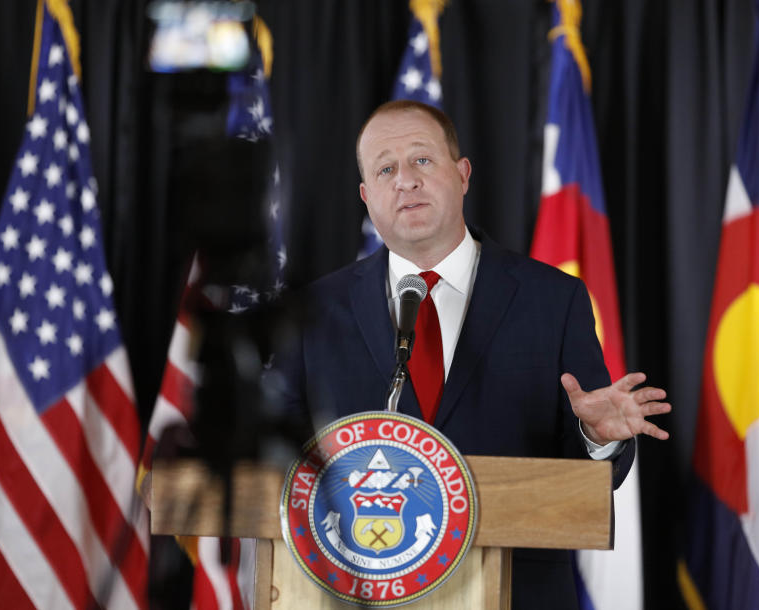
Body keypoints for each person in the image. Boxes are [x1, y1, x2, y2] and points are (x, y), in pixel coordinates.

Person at [280, 100, 670, 608]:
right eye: (386, 169)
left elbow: (591, 480)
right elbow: (275, 461)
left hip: (516, 591)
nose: (405, 180)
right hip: (359, 593)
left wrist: (595, 436)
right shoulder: (311, 313)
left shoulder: (552, 300)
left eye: (422, 160)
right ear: (366, 195)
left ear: (462, 175)